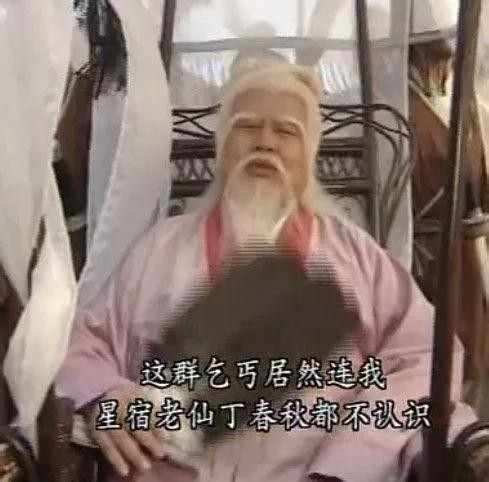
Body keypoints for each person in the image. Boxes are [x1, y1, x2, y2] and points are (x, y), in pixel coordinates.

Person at [56, 58, 478, 482]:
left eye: (287, 131)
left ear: (309, 154)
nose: (265, 143)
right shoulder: (159, 249)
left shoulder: (357, 258)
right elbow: (81, 343)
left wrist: (347, 464)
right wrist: (105, 396)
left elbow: (424, 359)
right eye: (247, 126)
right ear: (222, 146)